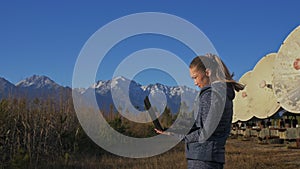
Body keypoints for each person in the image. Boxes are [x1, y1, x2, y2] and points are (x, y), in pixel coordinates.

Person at [155, 53, 244, 169]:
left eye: (195, 77)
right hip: (211, 157)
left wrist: (177, 136)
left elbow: (205, 133)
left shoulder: (211, 94)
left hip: (203, 159)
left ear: (207, 72)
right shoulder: (223, 93)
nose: (195, 83)